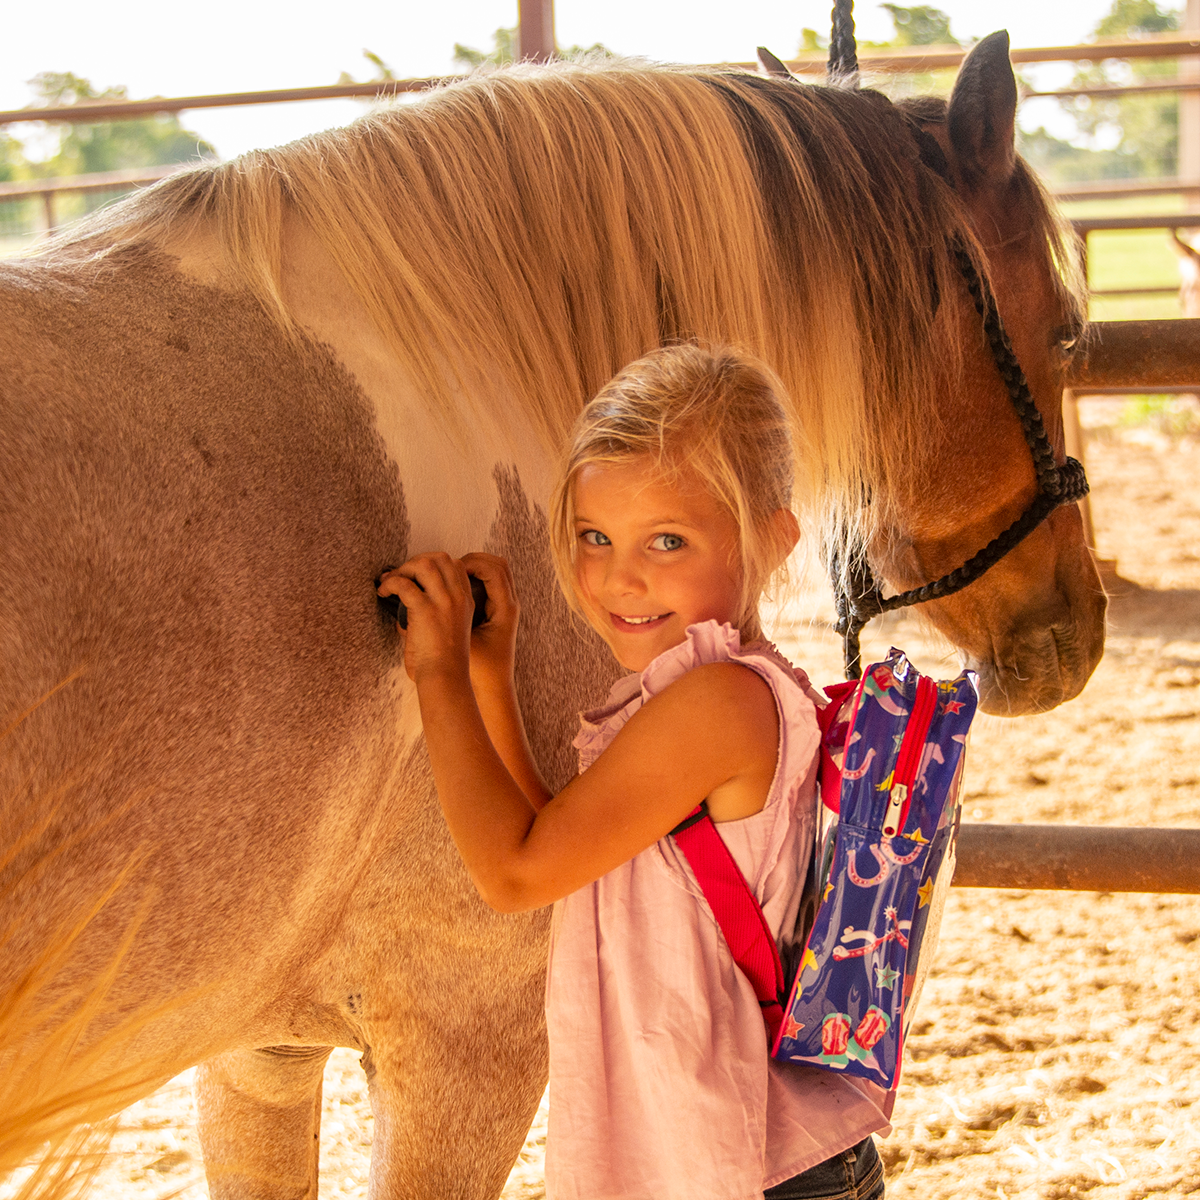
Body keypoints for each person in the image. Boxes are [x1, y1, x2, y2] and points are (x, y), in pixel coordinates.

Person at [377, 343, 891, 1200]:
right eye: (594, 536)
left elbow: (516, 871)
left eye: (667, 540)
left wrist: (437, 677)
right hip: (724, 1153)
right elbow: (577, 848)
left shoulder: (718, 705)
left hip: (749, 1166)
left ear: (773, 538)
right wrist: (492, 681)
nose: (620, 575)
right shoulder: (692, 691)